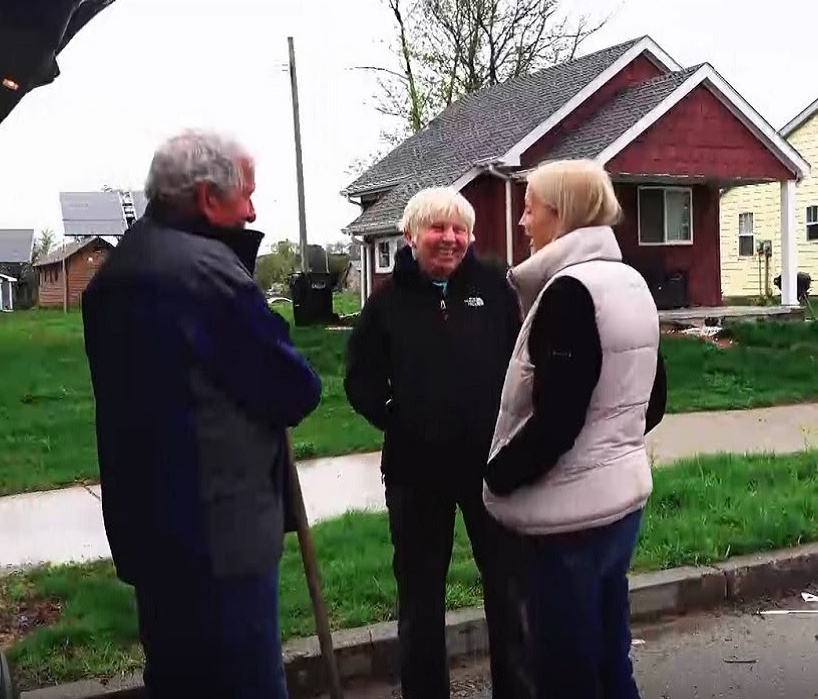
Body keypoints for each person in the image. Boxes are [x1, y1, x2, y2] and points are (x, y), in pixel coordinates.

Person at [81, 129, 321, 699]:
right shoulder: (204, 273)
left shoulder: (114, 274)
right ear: (210, 198)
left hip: (150, 530)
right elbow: (293, 387)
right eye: (246, 196)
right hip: (220, 535)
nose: (254, 209)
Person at [484, 159, 667, 699]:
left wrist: (498, 474)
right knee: (613, 662)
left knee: (565, 674)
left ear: (559, 214)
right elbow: (652, 402)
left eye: (529, 207)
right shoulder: (630, 281)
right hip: (621, 507)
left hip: (568, 523)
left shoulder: (569, 292)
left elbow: (559, 420)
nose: (522, 221)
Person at [344, 187, 533, 699]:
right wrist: (396, 419)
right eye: (437, 229)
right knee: (421, 598)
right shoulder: (386, 302)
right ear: (410, 236)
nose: (450, 239)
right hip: (415, 473)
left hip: (491, 467)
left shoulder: (494, 288)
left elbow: (523, 363)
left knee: (508, 589)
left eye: (459, 230)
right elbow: (359, 380)